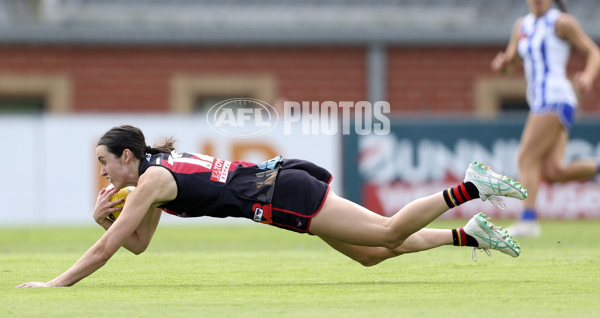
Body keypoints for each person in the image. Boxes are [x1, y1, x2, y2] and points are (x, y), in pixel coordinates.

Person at [18, 125, 527, 288]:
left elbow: (109, 249)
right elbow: (138, 246)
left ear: (127, 156)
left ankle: (471, 188)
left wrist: (55, 285)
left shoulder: (151, 180)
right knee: (372, 253)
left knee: (390, 232)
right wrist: (104, 215)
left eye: (106, 163)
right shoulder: (155, 173)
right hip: (282, 183)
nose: (104, 173)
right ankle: (472, 233)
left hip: (283, 194)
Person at [491, 0, 600, 237]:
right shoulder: (522, 26)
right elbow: (510, 64)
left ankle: (528, 220)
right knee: (553, 171)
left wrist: (587, 76)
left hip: (555, 97)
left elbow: (593, 52)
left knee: (526, 156)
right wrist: (501, 65)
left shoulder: (560, 22)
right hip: (541, 100)